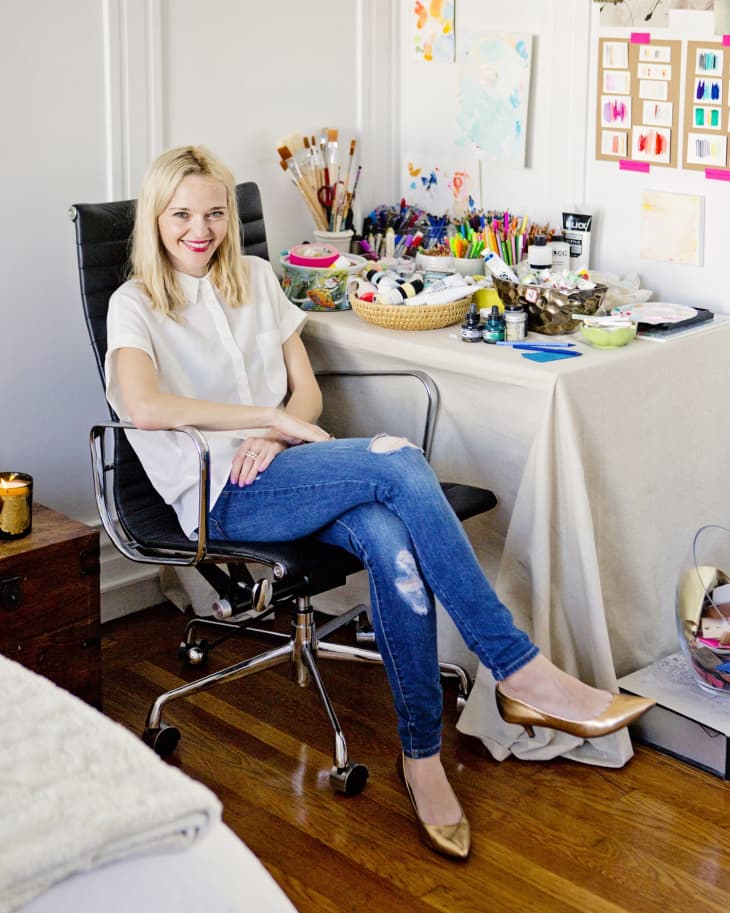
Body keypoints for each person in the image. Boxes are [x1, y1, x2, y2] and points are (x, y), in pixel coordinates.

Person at [106, 145, 654, 861]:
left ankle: (421, 758)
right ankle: (519, 668)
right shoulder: (134, 303)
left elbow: (307, 392)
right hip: (218, 495)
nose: (200, 229)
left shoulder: (258, 280)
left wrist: (277, 430)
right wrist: (265, 419)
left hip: (287, 465)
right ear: (155, 218)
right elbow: (144, 407)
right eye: (181, 215)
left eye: (214, 213)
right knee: (398, 461)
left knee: (392, 539)